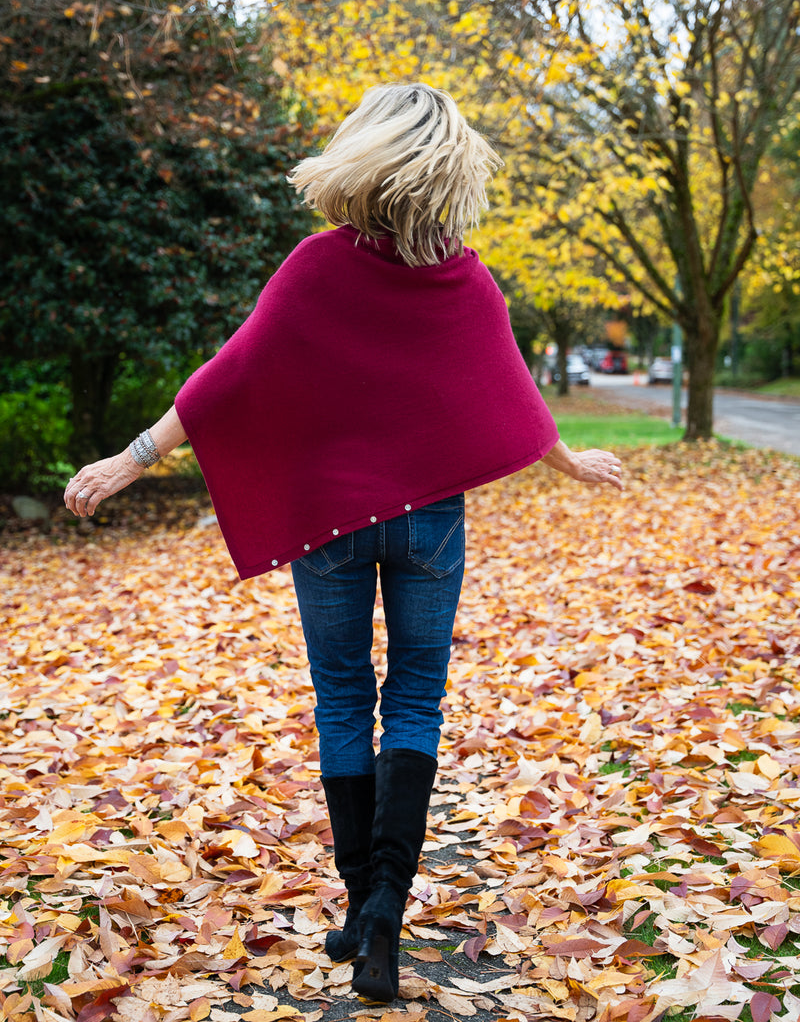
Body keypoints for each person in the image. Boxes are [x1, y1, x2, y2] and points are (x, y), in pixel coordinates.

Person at [64, 83, 623, 1003]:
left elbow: (229, 375)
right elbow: (510, 389)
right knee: (414, 698)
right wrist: (567, 460)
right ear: (446, 172)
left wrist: (133, 458)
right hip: (432, 525)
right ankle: (382, 925)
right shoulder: (464, 275)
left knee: (341, 699)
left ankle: (366, 909)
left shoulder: (317, 268)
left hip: (331, 526)